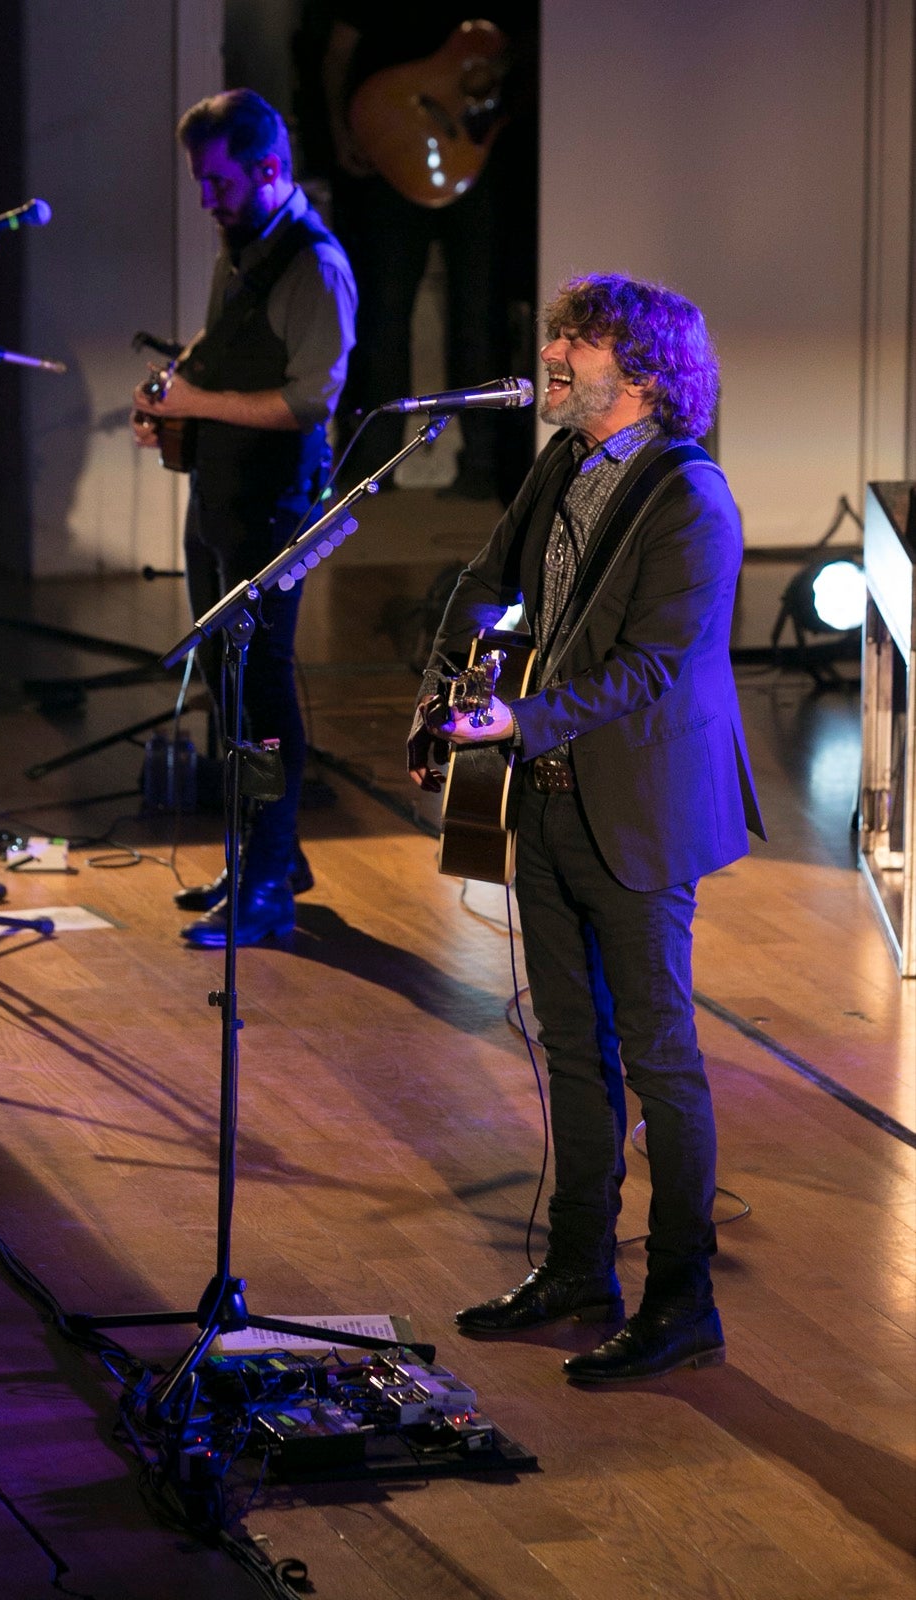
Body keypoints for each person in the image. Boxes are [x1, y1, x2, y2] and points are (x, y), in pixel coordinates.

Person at [408, 273, 765, 1383]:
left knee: (660, 1058)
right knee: (569, 1042)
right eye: (555, 331)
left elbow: (652, 668)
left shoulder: (692, 501)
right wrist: (441, 686)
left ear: (646, 373)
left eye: (580, 338)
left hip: (636, 810)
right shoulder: (560, 461)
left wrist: (519, 715)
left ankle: (680, 1294)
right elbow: (486, 578)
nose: (554, 351)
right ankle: (575, 1264)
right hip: (549, 795)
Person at [132, 89, 356, 948]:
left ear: (269, 168)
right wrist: (167, 400)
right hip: (218, 497)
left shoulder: (316, 264)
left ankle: (266, 889)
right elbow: (218, 342)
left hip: (272, 511)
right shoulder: (243, 246)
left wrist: (199, 400)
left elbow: (310, 401)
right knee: (229, 690)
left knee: (260, 695)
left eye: (218, 181)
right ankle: (268, 853)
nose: (205, 199)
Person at [320, 4, 536, 500]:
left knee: (476, 316)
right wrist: (342, 129)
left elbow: (531, 56)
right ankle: (373, 464)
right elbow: (336, 53)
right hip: (394, 150)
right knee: (384, 313)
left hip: (477, 161)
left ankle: (483, 464)